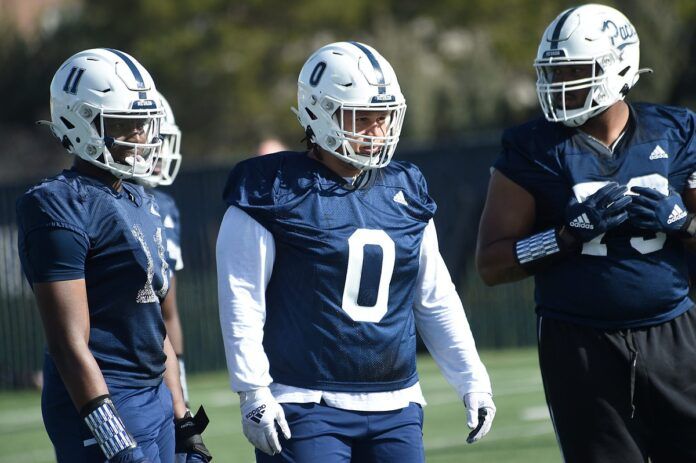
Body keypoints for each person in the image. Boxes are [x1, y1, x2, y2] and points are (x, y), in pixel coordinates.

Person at [217, 41, 495, 463]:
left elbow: (435, 298)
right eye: (361, 119)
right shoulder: (271, 189)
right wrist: (252, 390)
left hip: (397, 403)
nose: (376, 132)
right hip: (305, 402)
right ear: (318, 113)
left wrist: (473, 380)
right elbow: (242, 298)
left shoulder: (406, 187)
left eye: (382, 118)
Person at [476, 4, 696, 462]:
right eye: (553, 72)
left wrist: (685, 223)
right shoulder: (532, 147)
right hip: (580, 345)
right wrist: (562, 237)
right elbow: (492, 264)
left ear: (621, 68)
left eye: (575, 70)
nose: (560, 85)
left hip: (676, 334)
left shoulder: (676, 130)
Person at [17, 48, 211, 463]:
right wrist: (116, 441)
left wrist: (185, 422)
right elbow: (69, 344)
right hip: (103, 398)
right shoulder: (58, 204)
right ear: (81, 122)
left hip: (155, 395)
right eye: (127, 124)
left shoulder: (142, 198)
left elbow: (155, 327)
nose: (141, 136)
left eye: (143, 123)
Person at [131, 91, 189, 406]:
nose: (158, 151)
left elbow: (168, 309)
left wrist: (179, 375)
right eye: (155, 140)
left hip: (157, 360)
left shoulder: (163, 205)